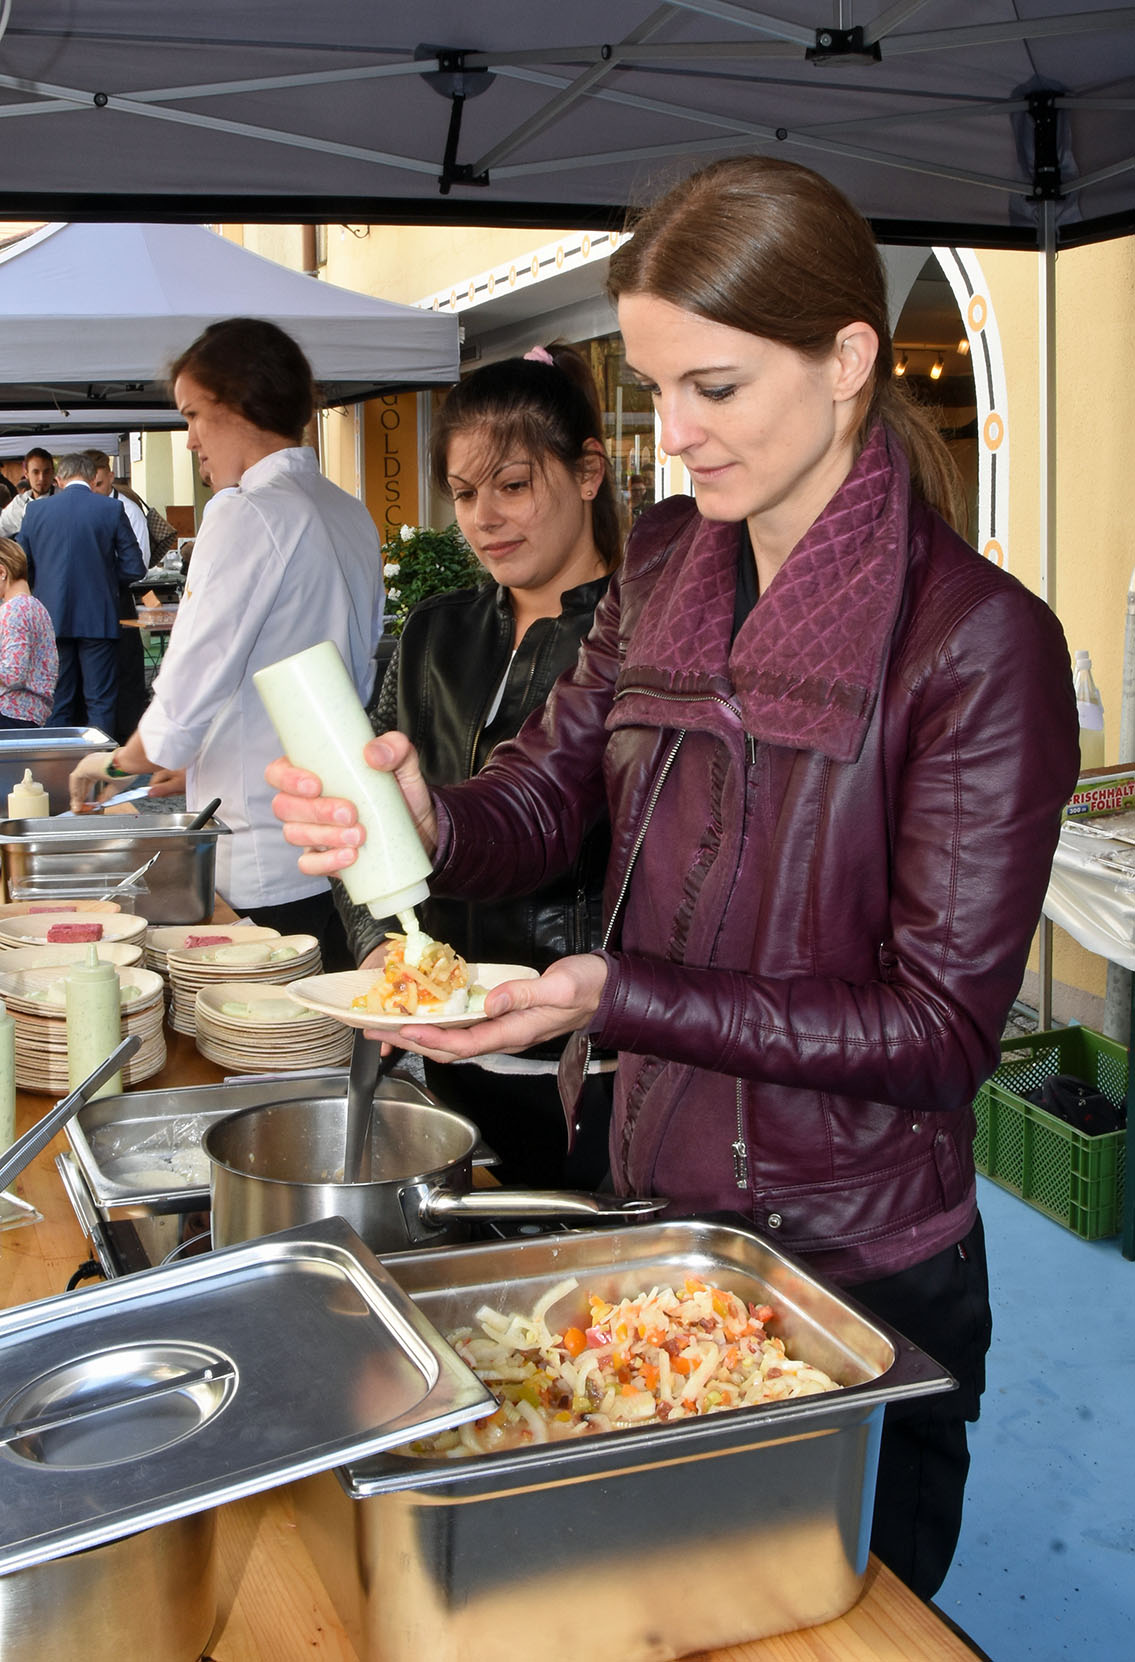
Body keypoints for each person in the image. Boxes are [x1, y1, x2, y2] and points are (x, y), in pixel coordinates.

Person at [266, 157, 1080, 1599]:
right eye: (654, 389)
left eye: (714, 387)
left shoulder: (973, 645)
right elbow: (545, 791)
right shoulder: (662, 561)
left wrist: (614, 993)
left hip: (853, 1266)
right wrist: (426, 817)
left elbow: (934, 1033)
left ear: (846, 361)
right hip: (654, 1208)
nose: (675, 433)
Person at [338, 343, 620, 1189]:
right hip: (443, 1048)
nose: (485, 517)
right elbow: (368, 810)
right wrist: (379, 954)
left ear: (587, 473)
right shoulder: (436, 631)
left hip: (590, 1062)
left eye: (513, 485)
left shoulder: (639, 637)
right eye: (464, 493)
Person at [71, 317, 384, 966]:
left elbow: (189, 689)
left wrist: (112, 765)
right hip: (336, 841)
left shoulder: (246, 511)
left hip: (260, 852)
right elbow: (322, 677)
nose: (190, 440)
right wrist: (187, 764)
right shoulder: (345, 510)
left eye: (193, 415)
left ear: (240, 404)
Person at [17, 450, 145, 734]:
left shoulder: (35, 511)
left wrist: (44, 586)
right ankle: (99, 761)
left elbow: (22, 565)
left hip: (51, 616)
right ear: (91, 476)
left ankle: (56, 760)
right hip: (98, 617)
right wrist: (104, 580)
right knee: (100, 701)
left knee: (57, 701)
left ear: (59, 479)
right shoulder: (111, 509)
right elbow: (135, 567)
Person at [86, 448, 150, 738]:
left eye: (99, 484)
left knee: (125, 677)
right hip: (93, 604)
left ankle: (124, 738)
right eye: (90, 485)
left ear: (111, 477)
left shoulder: (128, 510)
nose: (94, 491)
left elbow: (140, 564)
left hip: (119, 601)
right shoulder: (89, 510)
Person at [0, 537, 57, 727]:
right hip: (29, 713)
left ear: (2, 572)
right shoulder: (36, 607)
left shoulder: (14, 610)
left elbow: (13, 673)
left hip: (9, 712)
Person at [0, 447, 55, 538]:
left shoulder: (64, 499)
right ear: (26, 474)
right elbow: (2, 529)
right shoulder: (19, 503)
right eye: (35, 472)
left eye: (46, 472)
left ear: (53, 472)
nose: (41, 478)